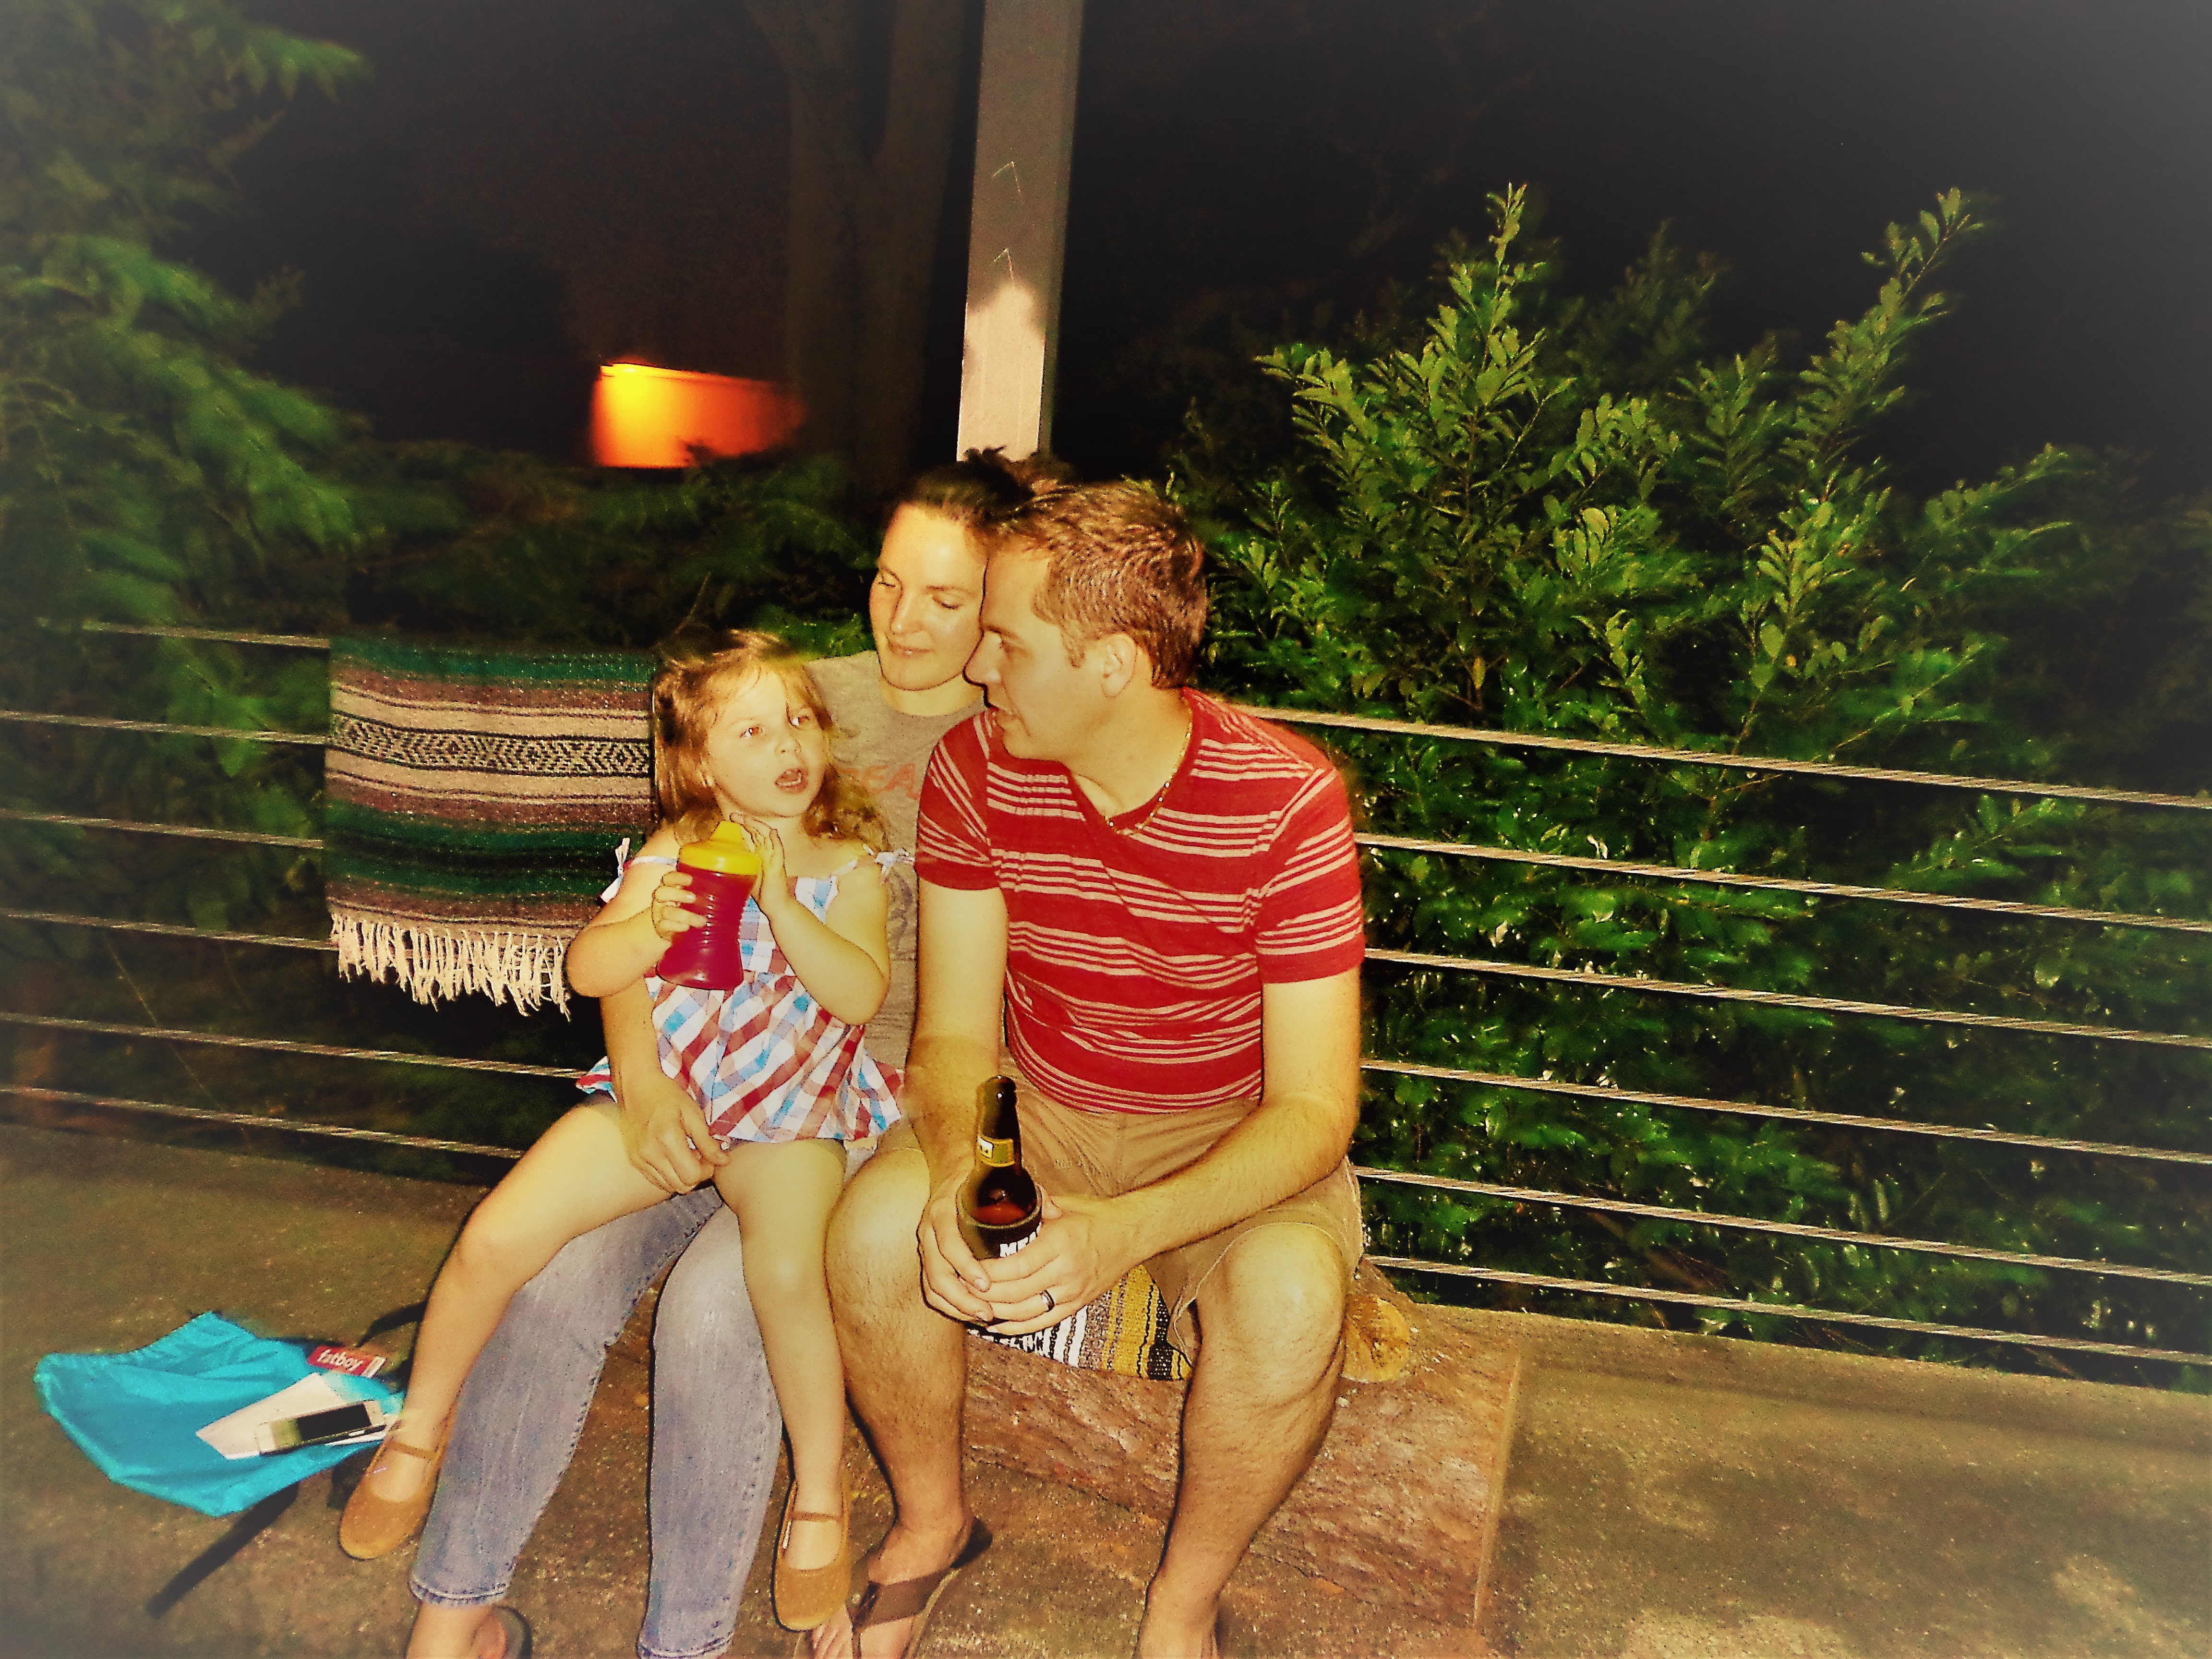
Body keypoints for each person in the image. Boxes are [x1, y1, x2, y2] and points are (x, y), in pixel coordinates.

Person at [392, 452, 1059, 1659]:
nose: (905, 622)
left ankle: (687, 1643)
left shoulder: (1021, 748)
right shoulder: (801, 699)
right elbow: (650, 917)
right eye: (888, 582)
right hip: (693, 1071)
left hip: (855, 1108)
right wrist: (644, 1086)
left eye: (947, 599)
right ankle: (453, 1610)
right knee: (549, 1275)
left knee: (716, 1313)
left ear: (1003, 608)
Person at [817, 483, 1368, 1659]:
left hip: (1228, 1126)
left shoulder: (1287, 801)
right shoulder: (978, 767)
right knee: (871, 1237)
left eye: (1008, 644)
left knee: (1292, 1307)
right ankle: (931, 1524)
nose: (978, 671)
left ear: (1113, 664)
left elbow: (1316, 1108)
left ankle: (1183, 1603)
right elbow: (954, 1039)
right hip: (1044, 1105)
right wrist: (966, 1175)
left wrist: (1121, 1233)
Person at [345, 631, 900, 1632]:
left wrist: (782, 903)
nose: (789, 744)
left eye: (801, 721)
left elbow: (859, 995)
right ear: (703, 765)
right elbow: (589, 970)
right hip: (666, 1090)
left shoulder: (848, 866)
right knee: (498, 1233)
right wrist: (649, 928)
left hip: (790, 1112)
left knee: (784, 1272)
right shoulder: (676, 850)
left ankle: (820, 1494)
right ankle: (419, 1428)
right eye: (752, 730)